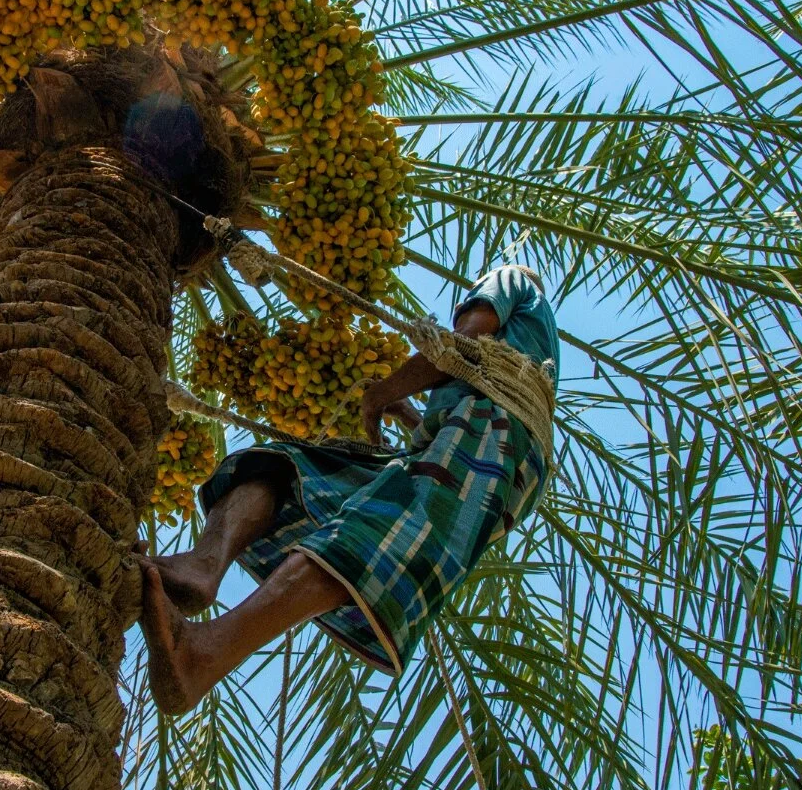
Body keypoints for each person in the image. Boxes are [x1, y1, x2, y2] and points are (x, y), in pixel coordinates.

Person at [140, 264, 559, 714]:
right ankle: (203, 568)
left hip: (497, 434)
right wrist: (407, 414)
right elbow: (454, 418)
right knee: (288, 468)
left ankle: (205, 654)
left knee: (373, 534)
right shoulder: (530, 345)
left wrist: (379, 394)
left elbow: (462, 343)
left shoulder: (512, 281)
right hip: (472, 441)